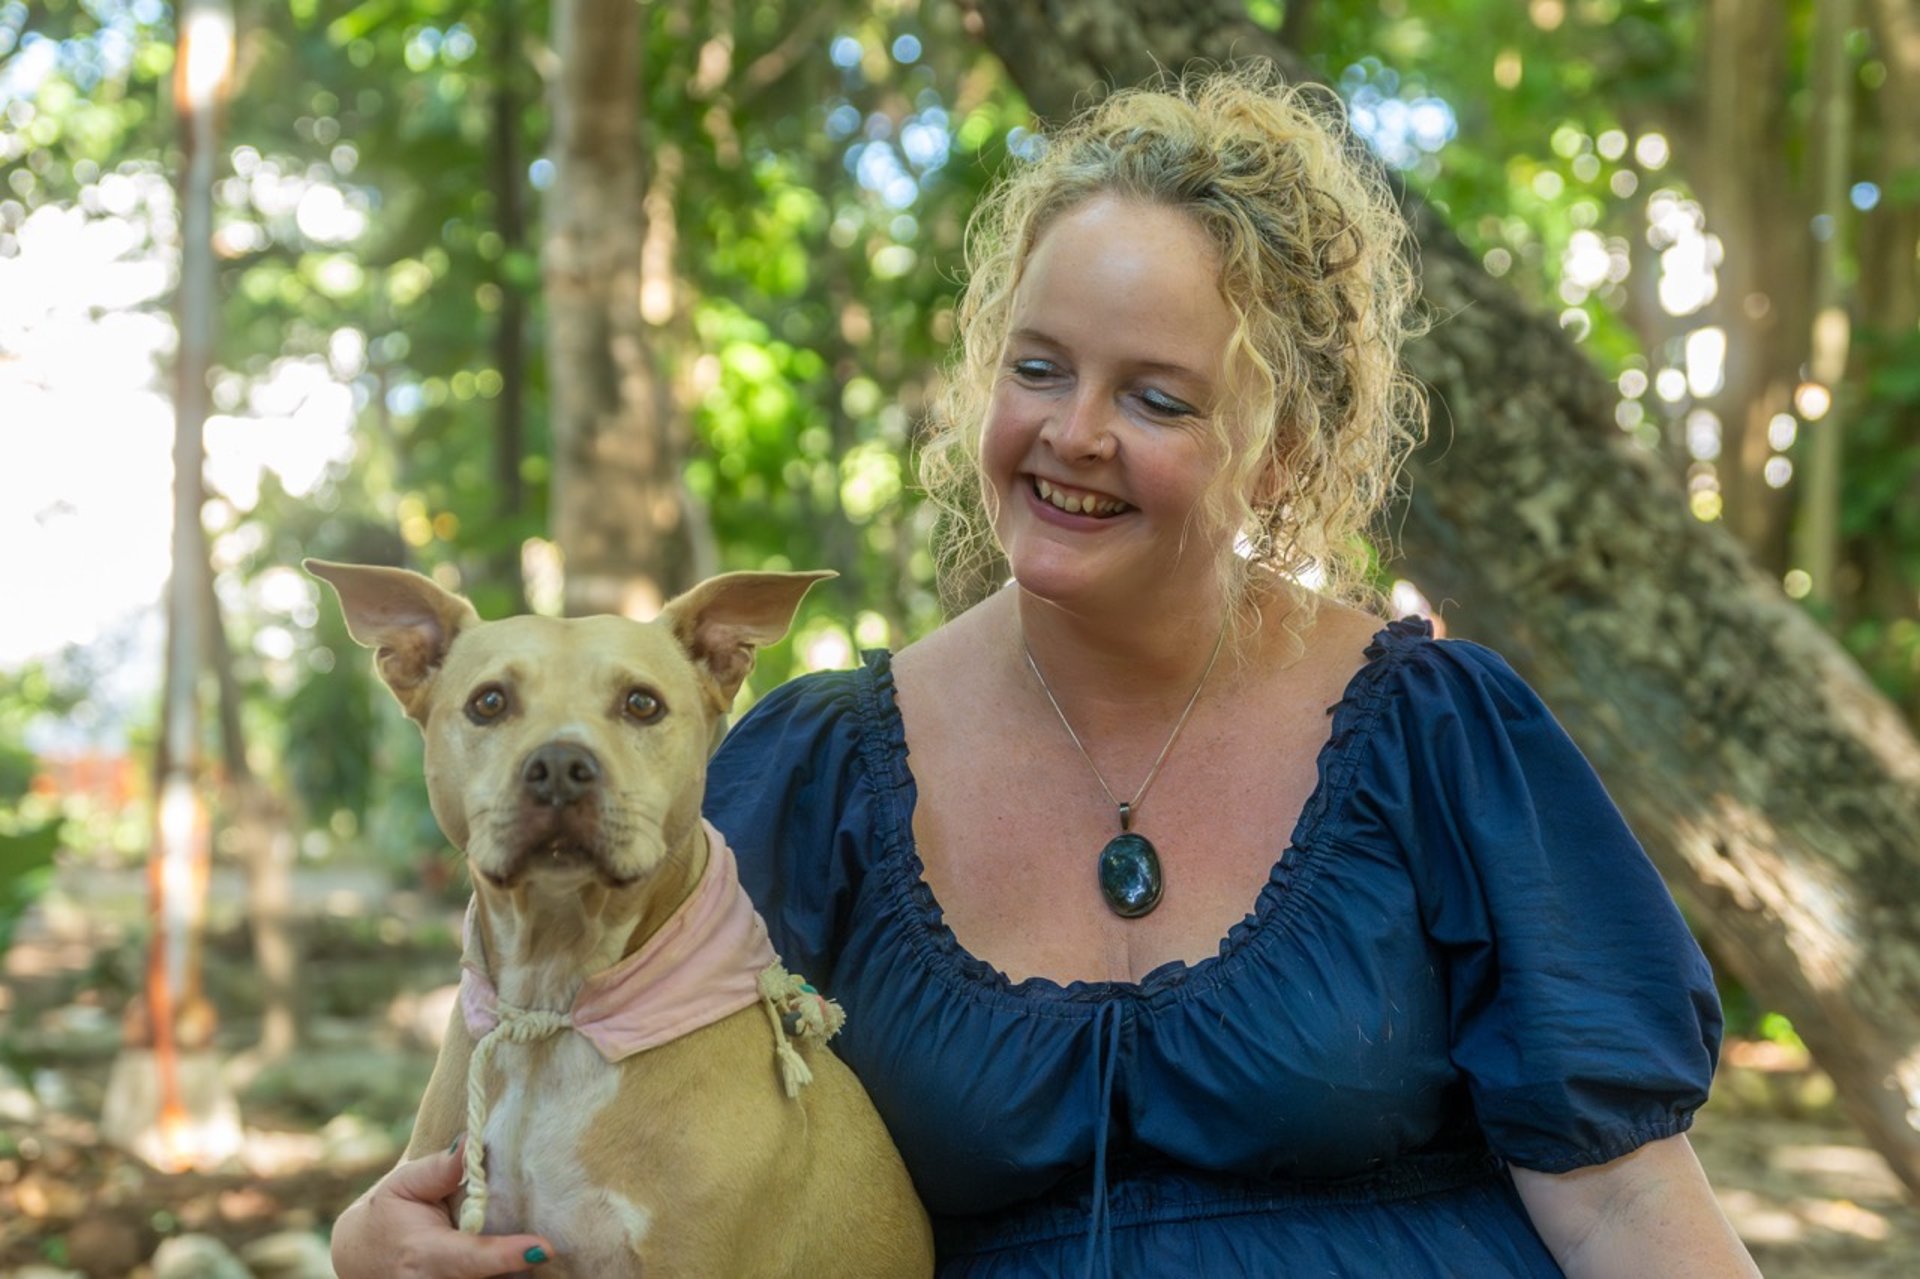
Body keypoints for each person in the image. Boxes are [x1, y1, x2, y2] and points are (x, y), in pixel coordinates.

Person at [332, 65, 1760, 1278]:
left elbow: (1631, 1199)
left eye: (1154, 396)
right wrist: (377, 1239)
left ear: (1278, 447)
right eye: (1037, 369)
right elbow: (535, 1019)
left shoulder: (1441, 739)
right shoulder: (815, 777)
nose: (1073, 433)